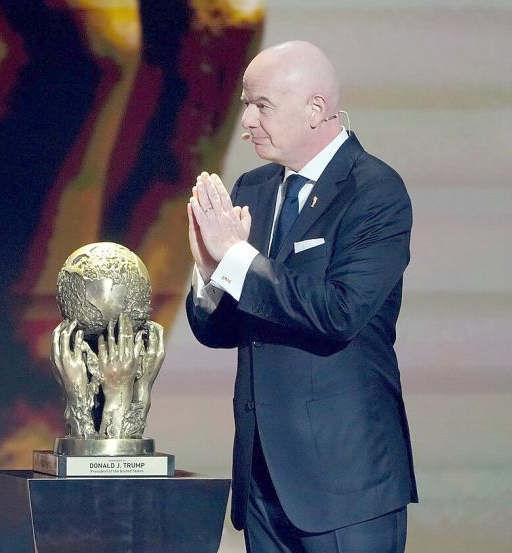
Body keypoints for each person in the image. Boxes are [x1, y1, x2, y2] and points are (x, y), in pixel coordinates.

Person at [186, 41, 417, 552]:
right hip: (262, 484)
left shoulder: (374, 191)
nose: (246, 122)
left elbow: (339, 312)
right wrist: (209, 273)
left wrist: (237, 258)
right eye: (245, 104)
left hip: (346, 486)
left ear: (315, 109)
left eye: (261, 105)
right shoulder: (253, 188)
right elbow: (222, 331)